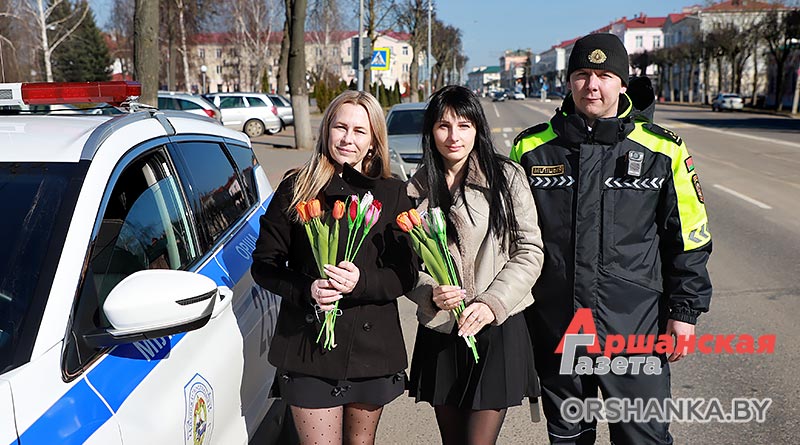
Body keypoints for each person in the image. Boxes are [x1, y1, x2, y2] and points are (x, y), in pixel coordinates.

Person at [511, 33, 712, 444]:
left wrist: (685, 311)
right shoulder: (531, 149)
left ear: (622, 84)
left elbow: (689, 237)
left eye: (604, 75)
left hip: (635, 329)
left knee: (643, 437)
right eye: (582, 74)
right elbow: (508, 238)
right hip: (556, 328)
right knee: (569, 437)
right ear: (569, 80)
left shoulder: (663, 149)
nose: (592, 85)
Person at [251, 90, 417, 445]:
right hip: (308, 345)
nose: (347, 138)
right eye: (340, 127)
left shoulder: (392, 193)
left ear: (373, 141)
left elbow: (406, 274)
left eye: (359, 131)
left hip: (371, 350)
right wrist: (307, 289)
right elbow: (265, 264)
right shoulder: (297, 188)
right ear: (326, 129)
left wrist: (362, 282)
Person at [405, 85, 545, 445]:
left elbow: (530, 250)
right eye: (444, 126)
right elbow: (405, 264)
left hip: (496, 327)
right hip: (442, 330)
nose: (454, 136)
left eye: (464, 125)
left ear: (478, 128)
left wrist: (490, 303)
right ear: (431, 131)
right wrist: (429, 293)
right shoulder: (416, 188)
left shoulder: (506, 177)